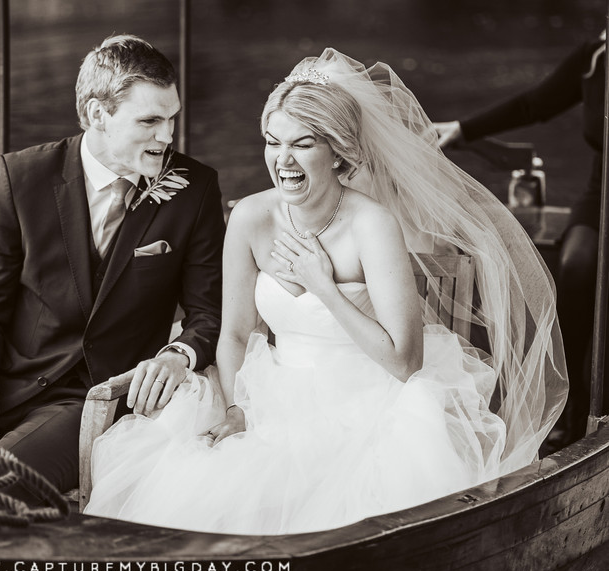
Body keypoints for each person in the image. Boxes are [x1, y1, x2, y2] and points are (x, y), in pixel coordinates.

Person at [84, 49, 568, 535]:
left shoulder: (372, 225)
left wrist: (325, 287)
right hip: (269, 392)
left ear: (338, 152)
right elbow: (232, 334)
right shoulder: (251, 217)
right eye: (273, 143)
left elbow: (405, 362)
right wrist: (237, 409)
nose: (283, 160)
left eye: (303, 144)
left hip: (368, 401)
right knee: (188, 487)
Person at [0, 34, 225, 504]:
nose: (167, 137)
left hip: (87, 400)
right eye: (150, 121)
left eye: (172, 119)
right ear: (96, 115)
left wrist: (178, 355)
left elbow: (208, 314)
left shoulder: (195, 189)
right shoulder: (21, 176)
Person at [434, 30, 605, 446]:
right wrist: (464, 128)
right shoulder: (596, 52)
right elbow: (534, 103)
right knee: (576, 263)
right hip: (602, 192)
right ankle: (573, 408)